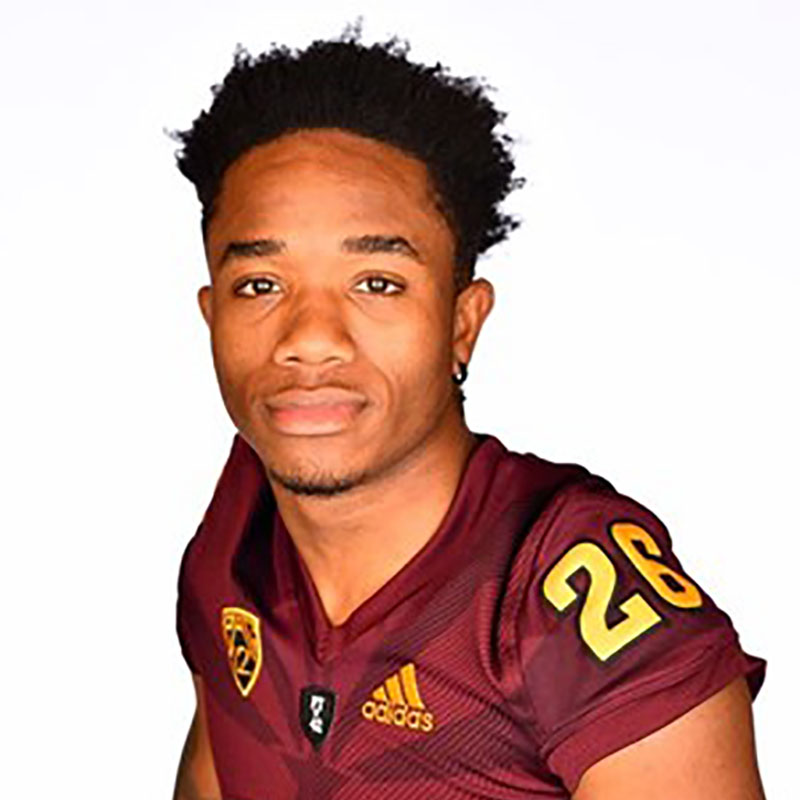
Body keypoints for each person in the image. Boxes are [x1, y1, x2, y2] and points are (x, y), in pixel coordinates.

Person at [170, 29, 766, 800]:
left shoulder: (565, 581)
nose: (310, 338)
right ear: (211, 314)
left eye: (377, 283)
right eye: (261, 286)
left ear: (462, 321)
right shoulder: (237, 535)